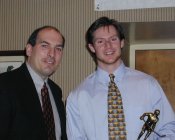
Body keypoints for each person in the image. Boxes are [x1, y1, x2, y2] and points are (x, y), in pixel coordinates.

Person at [66, 16, 175, 140]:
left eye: (113, 39)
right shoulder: (77, 96)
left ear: (122, 42)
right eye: (100, 41)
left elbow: (168, 127)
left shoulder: (148, 85)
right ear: (92, 47)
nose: (108, 46)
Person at [0, 26, 67, 140]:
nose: (52, 54)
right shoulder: (5, 85)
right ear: (29, 50)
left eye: (58, 49)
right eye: (45, 46)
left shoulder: (56, 91)